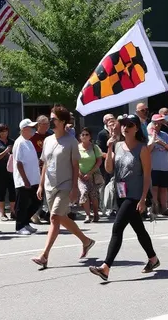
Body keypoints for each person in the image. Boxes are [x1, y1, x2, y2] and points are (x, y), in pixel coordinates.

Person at [88, 114, 159, 280]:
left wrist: (143, 199)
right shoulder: (117, 145)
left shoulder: (142, 148)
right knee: (138, 228)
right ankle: (153, 259)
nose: (125, 128)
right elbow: (109, 169)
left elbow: (147, 176)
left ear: (136, 128)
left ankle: (105, 267)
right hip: (120, 193)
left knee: (117, 228)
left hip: (134, 195)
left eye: (130, 125)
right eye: (124, 125)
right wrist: (110, 148)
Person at [32, 105, 95, 269]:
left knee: (54, 217)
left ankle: (44, 255)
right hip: (49, 185)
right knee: (60, 217)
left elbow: (75, 166)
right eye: (50, 118)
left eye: (53, 119)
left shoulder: (71, 141)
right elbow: (45, 163)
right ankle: (86, 241)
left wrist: (75, 187)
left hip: (65, 185)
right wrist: (40, 185)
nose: (50, 121)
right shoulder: (47, 140)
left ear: (62, 121)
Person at [13, 119, 41, 235]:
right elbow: (19, 163)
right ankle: (19, 226)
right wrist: (25, 180)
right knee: (22, 204)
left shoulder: (28, 142)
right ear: (24, 129)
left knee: (37, 202)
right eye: (31, 128)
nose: (33, 130)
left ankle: (25, 222)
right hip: (24, 181)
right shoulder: (19, 142)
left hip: (34, 179)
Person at [148, 114, 168, 217]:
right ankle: (155, 208)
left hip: (165, 166)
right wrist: (153, 140)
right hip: (153, 166)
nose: (158, 126)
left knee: (164, 188)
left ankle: (164, 208)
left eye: (160, 124)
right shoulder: (148, 135)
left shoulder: (164, 135)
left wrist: (161, 142)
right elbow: (147, 150)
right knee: (154, 188)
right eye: (156, 124)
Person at [78, 128, 103, 223]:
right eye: (82, 134)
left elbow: (99, 161)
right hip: (80, 176)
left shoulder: (94, 147)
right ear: (80, 137)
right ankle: (88, 215)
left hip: (92, 175)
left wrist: (90, 172)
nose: (84, 136)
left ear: (90, 136)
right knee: (84, 192)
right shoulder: (77, 148)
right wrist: (79, 173)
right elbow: (74, 161)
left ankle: (96, 214)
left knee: (93, 195)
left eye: (86, 134)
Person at [0, 124, 16, 221]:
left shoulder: (11, 142)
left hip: (11, 170)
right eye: (2, 132)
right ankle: (2, 213)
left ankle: (13, 212)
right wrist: (5, 152)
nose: (4, 134)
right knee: (1, 191)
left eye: (6, 131)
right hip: (0, 170)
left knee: (12, 191)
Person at [95, 113, 114, 216]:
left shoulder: (117, 133)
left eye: (113, 119)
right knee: (104, 186)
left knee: (113, 186)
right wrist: (110, 156)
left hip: (116, 164)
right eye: (109, 120)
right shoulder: (102, 134)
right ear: (105, 122)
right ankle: (103, 207)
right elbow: (99, 150)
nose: (112, 121)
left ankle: (112, 207)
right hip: (105, 164)